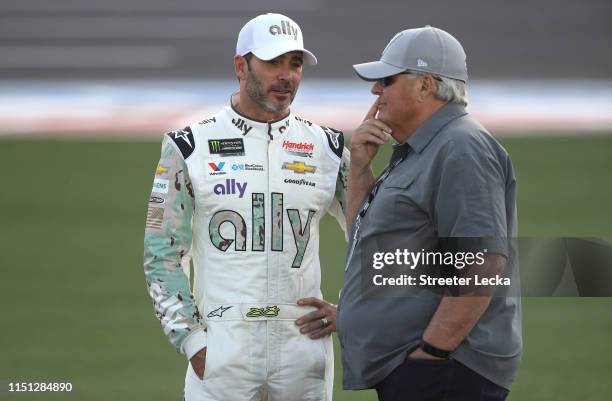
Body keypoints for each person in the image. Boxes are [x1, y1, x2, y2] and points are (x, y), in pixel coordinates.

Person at [143, 13, 349, 401]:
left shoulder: (329, 148)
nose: (286, 76)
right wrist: (192, 342)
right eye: (273, 63)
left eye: (295, 63)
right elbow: (161, 253)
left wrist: (352, 310)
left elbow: (375, 237)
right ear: (241, 66)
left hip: (303, 350)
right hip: (222, 350)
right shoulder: (189, 145)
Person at [336, 26, 521, 401]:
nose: (375, 91)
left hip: (445, 371)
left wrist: (432, 352)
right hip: (423, 370)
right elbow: (370, 241)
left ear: (425, 85)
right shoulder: (421, 148)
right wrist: (359, 168)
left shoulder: (461, 147)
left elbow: (482, 261)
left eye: (386, 80)